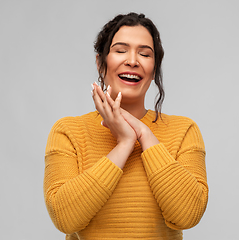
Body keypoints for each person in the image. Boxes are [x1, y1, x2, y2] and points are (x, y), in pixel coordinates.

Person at [44, 12, 208, 240]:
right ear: (101, 63)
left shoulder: (184, 130)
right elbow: (64, 218)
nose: (133, 60)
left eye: (144, 54)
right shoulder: (68, 131)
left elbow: (187, 215)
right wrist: (124, 143)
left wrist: (144, 134)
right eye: (121, 50)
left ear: (154, 69)